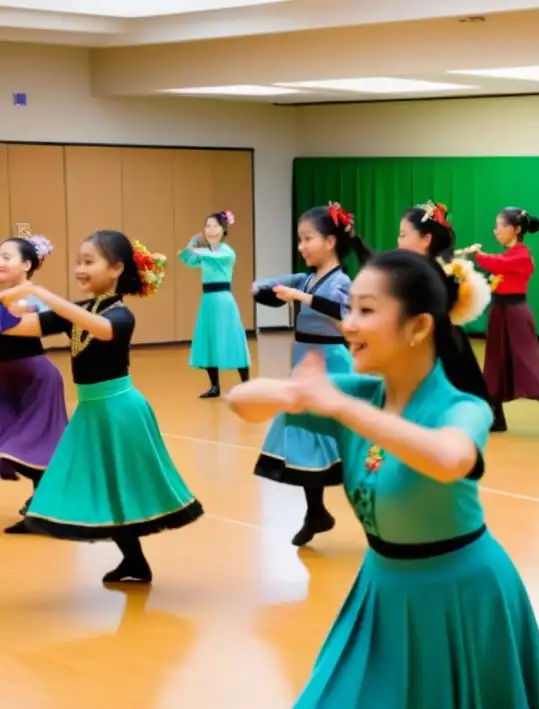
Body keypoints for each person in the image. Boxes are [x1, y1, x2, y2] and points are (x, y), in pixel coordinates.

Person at [226, 249, 539, 709]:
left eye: (366, 311)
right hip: (383, 593)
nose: (349, 324)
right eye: (350, 310)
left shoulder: (463, 406)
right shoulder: (358, 394)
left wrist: (338, 406)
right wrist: (299, 394)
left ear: (417, 327)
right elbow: (243, 401)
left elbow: (449, 457)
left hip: (463, 597)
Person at [0, 231, 202, 583]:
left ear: (116, 269)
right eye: (78, 261)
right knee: (109, 484)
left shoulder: (120, 314)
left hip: (120, 410)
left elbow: (105, 330)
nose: (80, 269)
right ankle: (134, 561)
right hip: (92, 412)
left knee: (122, 482)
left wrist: (39, 292)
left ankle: (134, 559)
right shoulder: (80, 310)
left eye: (88, 262)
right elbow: (22, 327)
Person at [252, 202, 355, 547]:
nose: (301, 246)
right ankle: (316, 512)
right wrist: (264, 289)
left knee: (348, 442)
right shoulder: (307, 278)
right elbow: (269, 287)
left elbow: (344, 315)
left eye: (307, 238)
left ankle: (381, 514)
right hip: (304, 364)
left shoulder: (341, 281)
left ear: (330, 241)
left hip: (332, 366)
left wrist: (301, 297)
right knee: (306, 437)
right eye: (299, 240)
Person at [352, 200, 491, 400]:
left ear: (426, 239)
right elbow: (380, 270)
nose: (399, 241)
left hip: (437, 355)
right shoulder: (423, 272)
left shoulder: (433, 275)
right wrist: (356, 241)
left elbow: (381, 273)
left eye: (403, 235)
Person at [464, 207, 539, 440]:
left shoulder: (522, 254)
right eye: (496, 226)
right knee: (494, 365)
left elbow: (498, 263)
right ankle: (498, 419)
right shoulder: (509, 254)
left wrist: (477, 254)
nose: (496, 230)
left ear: (517, 229)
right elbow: (497, 265)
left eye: (501, 226)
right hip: (499, 313)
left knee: (529, 364)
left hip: (517, 314)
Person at [0, 234, 68, 534]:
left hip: (35, 379)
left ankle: (43, 508)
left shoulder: (32, 300)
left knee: (37, 445)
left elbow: (16, 316)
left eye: (6, 257)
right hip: (4, 381)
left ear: (26, 264)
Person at [178, 210, 252, 398]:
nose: (210, 230)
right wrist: (193, 242)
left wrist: (195, 245)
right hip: (208, 300)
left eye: (215, 226)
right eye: (207, 226)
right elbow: (187, 259)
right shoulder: (206, 252)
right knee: (209, 339)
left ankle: (247, 384)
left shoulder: (226, 252)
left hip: (223, 300)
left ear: (223, 229)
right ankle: (214, 386)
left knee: (233, 339)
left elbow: (201, 254)